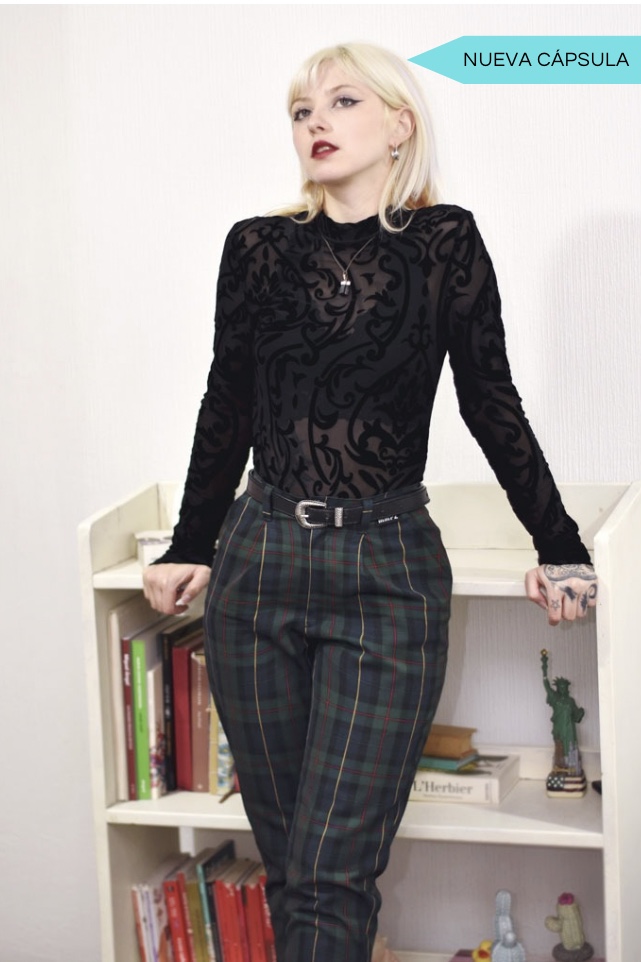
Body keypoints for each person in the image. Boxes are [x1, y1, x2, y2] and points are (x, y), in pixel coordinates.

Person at [143, 42, 597, 962]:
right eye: (300, 110)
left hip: (387, 573)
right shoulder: (256, 246)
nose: (315, 121)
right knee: (292, 868)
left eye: (342, 102)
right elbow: (227, 402)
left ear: (399, 125)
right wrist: (190, 541)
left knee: (331, 873)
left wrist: (559, 544)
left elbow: (488, 399)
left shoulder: (444, 242)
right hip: (258, 564)